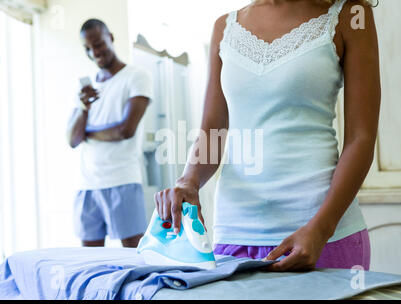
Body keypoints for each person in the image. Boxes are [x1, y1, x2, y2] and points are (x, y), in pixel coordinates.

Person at [154, 0, 381, 271]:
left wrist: (321, 229)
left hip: (322, 234)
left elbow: (361, 138)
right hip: (234, 234)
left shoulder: (352, 15)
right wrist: (188, 181)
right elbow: (213, 129)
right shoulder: (224, 27)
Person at [67, 19, 153, 248]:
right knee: (90, 260)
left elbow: (126, 130)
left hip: (122, 179)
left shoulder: (136, 76)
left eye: (98, 44)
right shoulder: (85, 89)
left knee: (134, 254)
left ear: (111, 38)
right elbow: (72, 139)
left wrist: (88, 134)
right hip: (87, 184)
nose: (94, 52)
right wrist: (84, 108)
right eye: (87, 48)